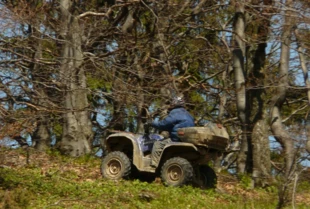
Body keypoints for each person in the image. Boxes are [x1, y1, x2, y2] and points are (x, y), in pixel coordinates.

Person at [150, 96, 195, 167]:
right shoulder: (189, 114)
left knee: (158, 144)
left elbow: (163, 124)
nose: (171, 104)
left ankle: (154, 166)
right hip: (187, 140)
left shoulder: (175, 112)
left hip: (176, 139)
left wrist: (152, 123)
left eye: (172, 102)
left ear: (175, 103)